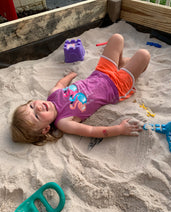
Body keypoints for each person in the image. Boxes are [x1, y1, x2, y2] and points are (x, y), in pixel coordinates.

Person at [11, 33, 150, 145]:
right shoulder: (63, 122)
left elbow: (61, 84)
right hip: (116, 88)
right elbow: (91, 130)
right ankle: (130, 69)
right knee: (144, 55)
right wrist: (119, 129)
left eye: (31, 105)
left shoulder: (52, 95)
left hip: (101, 72)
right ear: (46, 128)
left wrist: (71, 75)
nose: (38, 108)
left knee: (117, 38)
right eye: (36, 115)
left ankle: (122, 65)